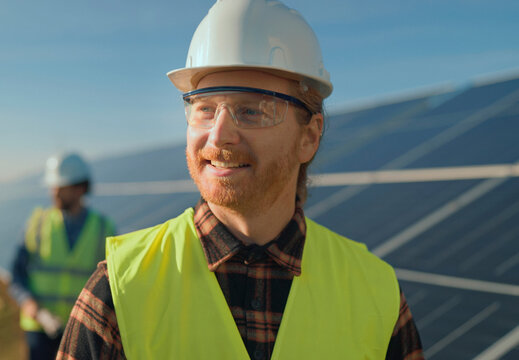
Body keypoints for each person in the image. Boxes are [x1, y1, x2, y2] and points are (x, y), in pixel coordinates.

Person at [58, 0, 424, 359]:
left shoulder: (376, 295)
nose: (218, 137)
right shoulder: (118, 292)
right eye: (204, 108)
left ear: (309, 137)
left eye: (252, 109)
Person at [9, 152, 116, 360]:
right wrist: (31, 305)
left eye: (62, 186)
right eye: (53, 185)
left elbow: (115, 283)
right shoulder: (37, 223)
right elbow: (16, 275)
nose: (54, 192)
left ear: (80, 188)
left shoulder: (104, 228)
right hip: (39, 330)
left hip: (82, 330)